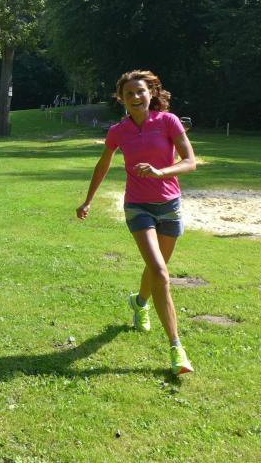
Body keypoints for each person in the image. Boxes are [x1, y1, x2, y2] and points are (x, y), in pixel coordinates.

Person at [76, 69, 197, 375]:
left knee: (156, 269)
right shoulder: (118, 131)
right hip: (138, 207)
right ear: (122, 99)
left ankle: (139, 302)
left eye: (140, 91)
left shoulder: (168, 121)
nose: (135, 97)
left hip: (170, 206)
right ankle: (177, 349)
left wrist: (160, 172)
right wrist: (88, 200)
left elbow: (190, 162)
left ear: (151, 93)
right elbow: (103, 164)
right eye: (128, 93)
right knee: (160, 271)